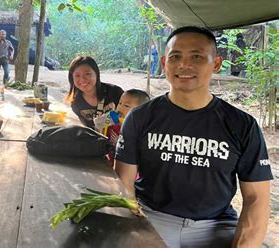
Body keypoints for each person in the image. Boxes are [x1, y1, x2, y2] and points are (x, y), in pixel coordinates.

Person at [114, 26, 272, 247]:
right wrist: (133, 225)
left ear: (216, 63)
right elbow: (124, 183)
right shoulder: (140, 118)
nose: (184, 65)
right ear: (164, 63)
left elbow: (257, 198)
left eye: (197, 57)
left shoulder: (242, 125)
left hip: (215, 224)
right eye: (175, 56)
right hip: (153, 216)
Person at [65, 56, 124, 129]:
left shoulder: (115, 92)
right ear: (72, 78)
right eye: (77, 75)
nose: (82, 79)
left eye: (87, 74)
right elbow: (89, 129)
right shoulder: (76, 103)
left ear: (96, 73)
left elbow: (132, 116)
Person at [105, 89, 150, 166]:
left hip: (129, 168)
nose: (120, 107)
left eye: (126, 105)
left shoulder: (139, 128)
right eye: (120, 103)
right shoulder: (113, 122)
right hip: (112, 162)